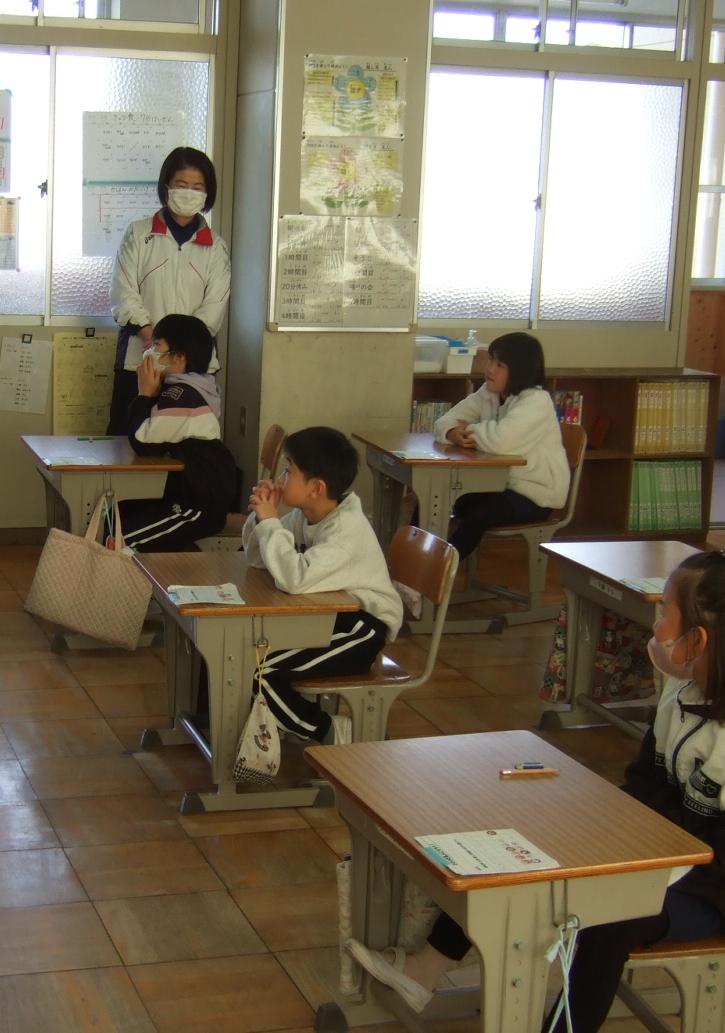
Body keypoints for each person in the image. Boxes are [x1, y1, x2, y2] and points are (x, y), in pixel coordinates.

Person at [357, 552, 725, 1033]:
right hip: (667, 859)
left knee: (603, 916)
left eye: (665, 611)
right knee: (525, 841)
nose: (656, 623)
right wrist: (588, 831)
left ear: (699, 641)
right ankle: (425, 970)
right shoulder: (684, 694)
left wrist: (615, 871)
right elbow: (645, 783)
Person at [242, 427, 402, 744]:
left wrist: (270, 522)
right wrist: (262, 517)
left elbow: (294, 579)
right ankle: (240, 725)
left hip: (361, 628)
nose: (281, 478)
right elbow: (258, 559)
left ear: (316, 488)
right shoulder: (305, 515)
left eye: (289, 470)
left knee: (258, 674)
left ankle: (329, 731)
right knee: (240, 654)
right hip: (325, 615)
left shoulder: (345, 529)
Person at [108, 147, 230, 436]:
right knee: (126, 440)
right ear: (166, 187)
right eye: (181, 184)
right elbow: (123, 293)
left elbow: (214, 307)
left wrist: (178, 355)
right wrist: (154, 344)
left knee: (186, 446)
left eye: (197, 187)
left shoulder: (216, 247)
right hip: (139, 363)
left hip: (193, 370)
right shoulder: (138, 234)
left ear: (208, 193)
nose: (189, 193)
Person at [430, 331, 569, 562]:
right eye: (491, 360)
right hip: (497, 485)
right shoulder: (488, 392)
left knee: (480, 515)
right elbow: (444, 421)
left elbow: (502, 441)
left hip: (535, 493)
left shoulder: (537, 401)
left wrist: (470, 429)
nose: (490, 369)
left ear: (520, 370)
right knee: (434, 496)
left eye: (500, 364)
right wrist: (452, 432)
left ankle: (436, 570)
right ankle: (412, 563)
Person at [119, 314, 239, 552]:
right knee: (117, 519)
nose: (149, 352)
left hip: (197, 503)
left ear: (179, 356)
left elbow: (143, 440)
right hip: (189, 493)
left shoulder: (183, 395)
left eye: (156, 345)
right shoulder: (183, 387)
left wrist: (144, 394)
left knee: (118, 542)